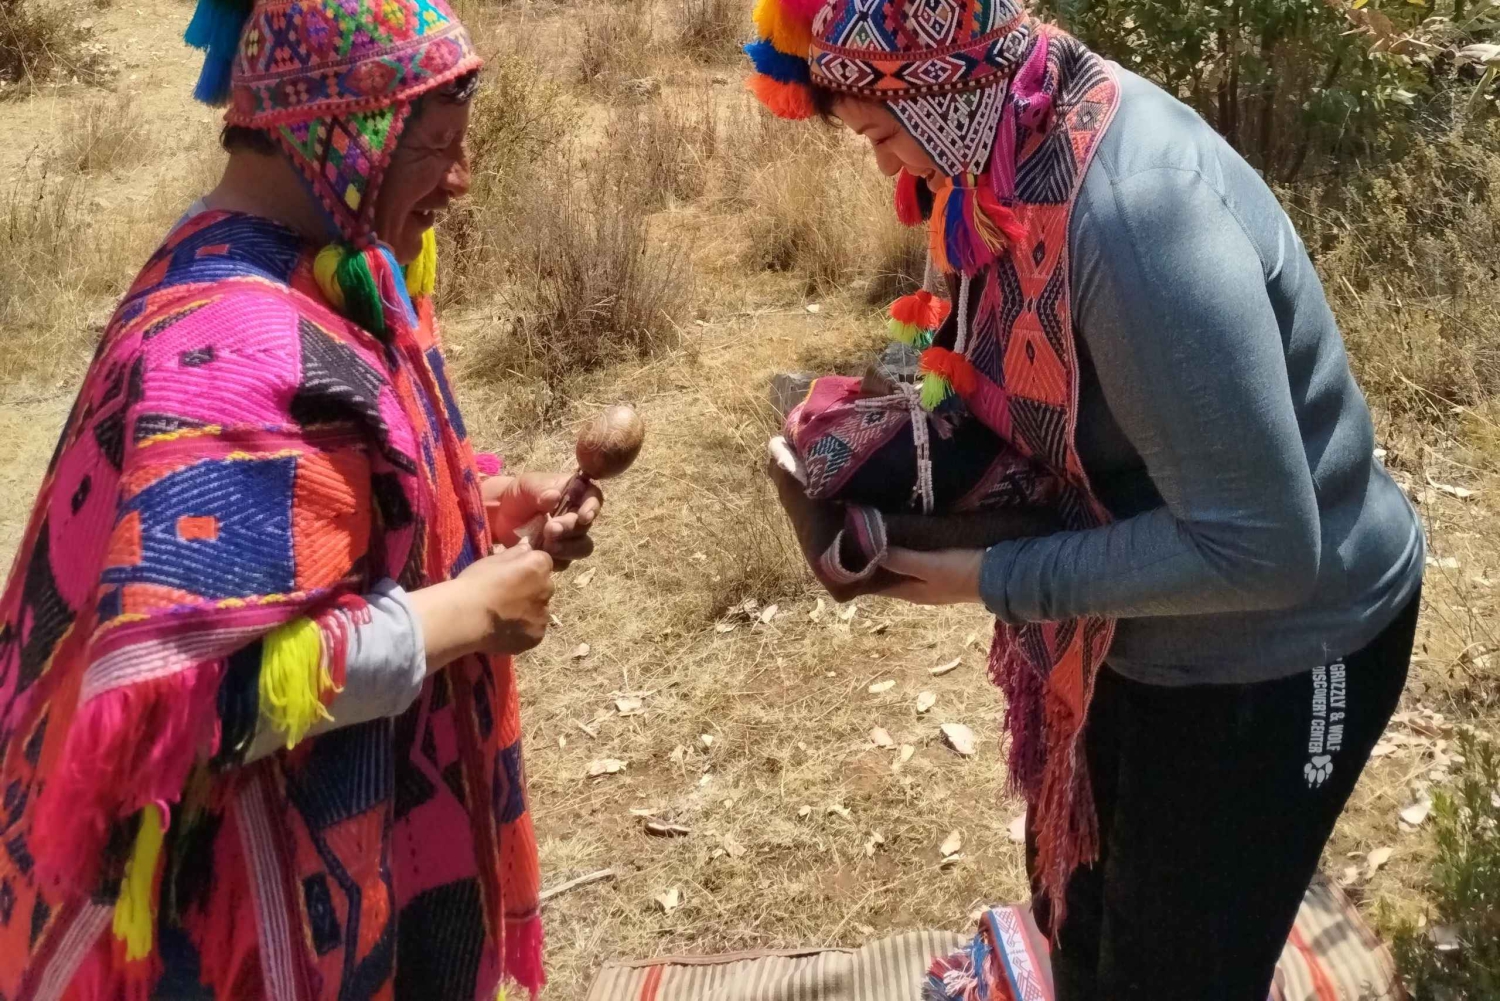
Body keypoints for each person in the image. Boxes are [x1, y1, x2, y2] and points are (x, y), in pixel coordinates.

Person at [747, 1, 1425, 998]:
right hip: (1135, 625)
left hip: (1279, 653)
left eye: (881, 136)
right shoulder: (1001, 160)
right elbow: (1003, 372)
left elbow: (1266, 546)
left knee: (1174, 970)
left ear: (943, 96)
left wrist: (993, 575)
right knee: (1081, 920)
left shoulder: (1134, 219)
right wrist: (881, 444)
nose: (887, 168)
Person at [0, 1, 592, 997]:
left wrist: (475, 509)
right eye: (435, 146)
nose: (461, 179)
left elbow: (315, 513)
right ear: (342, 134)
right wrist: (462, 614)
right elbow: (202, 697)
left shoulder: (286, 265)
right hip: (221, 930)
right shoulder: (233, 340)